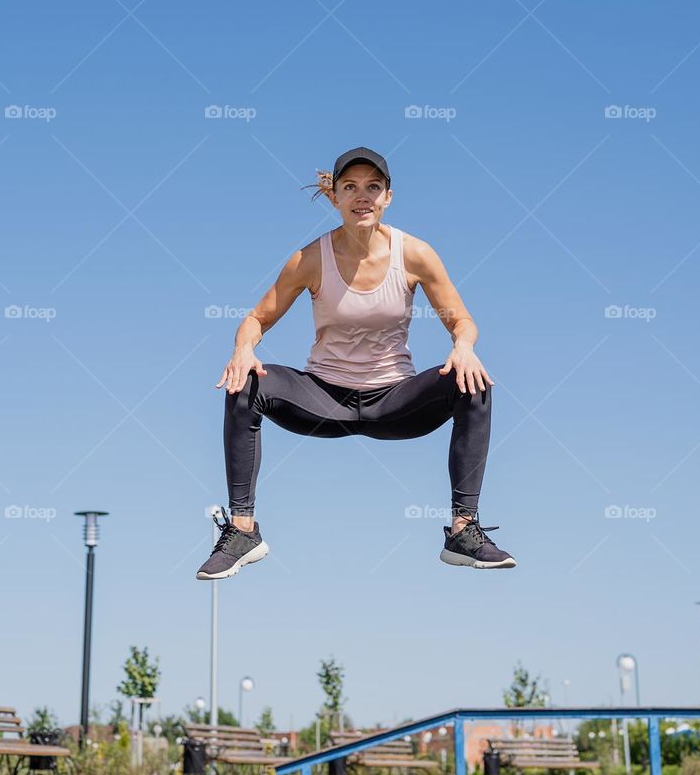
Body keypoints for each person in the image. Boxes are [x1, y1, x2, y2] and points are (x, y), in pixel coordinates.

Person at [196, 146, 516, 580]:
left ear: (387, 197)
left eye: (372, 187)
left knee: (473, 381)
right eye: (350, 187)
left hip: (396, 403)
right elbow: (257, 317)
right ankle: (242, 530)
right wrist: (243, 349)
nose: (361, 196)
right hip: (324, 399)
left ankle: (463, 530)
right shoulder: (309, 259)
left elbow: (462, 320)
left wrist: (463, 346)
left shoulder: (415, 254)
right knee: (245, 382)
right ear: (335, 198)